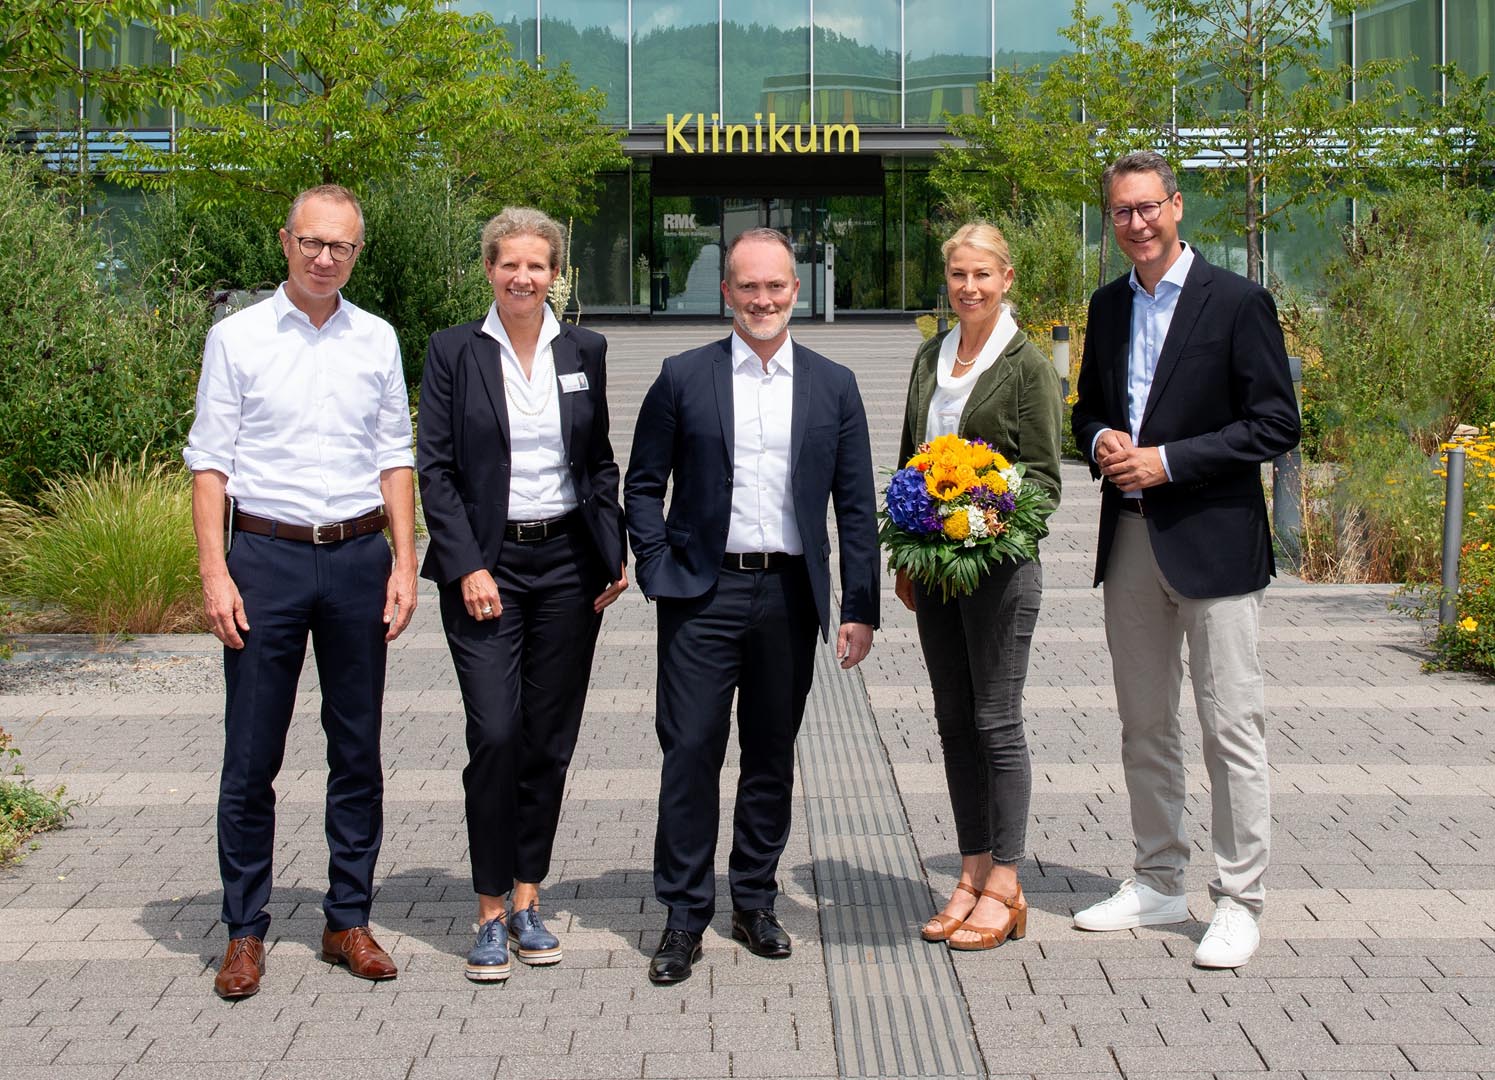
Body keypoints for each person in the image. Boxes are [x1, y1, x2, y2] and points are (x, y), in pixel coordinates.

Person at [624, 228, 880, 985]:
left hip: (788, 597)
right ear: (726, 292)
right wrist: (656, 565)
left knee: (770, 757)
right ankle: (681, 916)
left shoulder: (834, 384)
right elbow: (642, 484)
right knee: (691, 753)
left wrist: (857, 606)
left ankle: (755, 901)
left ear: (794, 291)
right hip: (702, 593)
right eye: (747, 287)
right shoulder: (682, 376)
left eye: (775, 287)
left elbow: (855, 507)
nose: (762, 299)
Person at [185, 183, 418, 1000]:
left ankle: (346, 919)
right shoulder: (237, 338)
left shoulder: (377, 339)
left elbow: (395, 453)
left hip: (356, 560)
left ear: (358, 253)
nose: (326, 258)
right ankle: (244, 931)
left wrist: (403, 561)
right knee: (251, 758)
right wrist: (215, 573)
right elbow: (210, 463)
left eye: (342, 247)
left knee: (357, 752)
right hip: (266, 562)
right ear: (285, 241)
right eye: (313, 242)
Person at [1069, 151, 1301, 969]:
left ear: (1176, 206)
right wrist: (1098, 437)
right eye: (1121, 212)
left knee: (1230, 726)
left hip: (1212, 542)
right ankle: (1157, 877)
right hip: (1129, 539)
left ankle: (1238, 900)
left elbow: (1275, 426)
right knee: (1143, 724)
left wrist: (1167, 461)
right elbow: (1088, 409)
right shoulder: (1105, 306)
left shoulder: (1237, 303)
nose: (1136, 223)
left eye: (1147, 207)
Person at [418, 207, 627, 983]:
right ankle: (486, 910)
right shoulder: (452, 352)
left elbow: (598, 461)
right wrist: (467, 563)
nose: (522, 277)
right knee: (496, 733)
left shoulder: (586, 350)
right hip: (488, 567)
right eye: (509, 263)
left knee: (547, 740)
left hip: (568, 565)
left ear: (555, 273)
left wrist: (613, 547)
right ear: (489, 269)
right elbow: (434, 468)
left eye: (537, 265)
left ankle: (529, 898)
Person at [895, 222, 1062, 951]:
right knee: (953, 724)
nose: (968, 287)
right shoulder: (932, 355)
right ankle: (967, 874)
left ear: (1006, 278)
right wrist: (907, 552)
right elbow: (910, 459)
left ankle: (1005, 883)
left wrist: (985, 523)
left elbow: (1045, 481)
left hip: (996, 573)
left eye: (981, 276)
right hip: (935, 572)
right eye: (958, 275)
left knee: (996, 722)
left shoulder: (1025, 367)